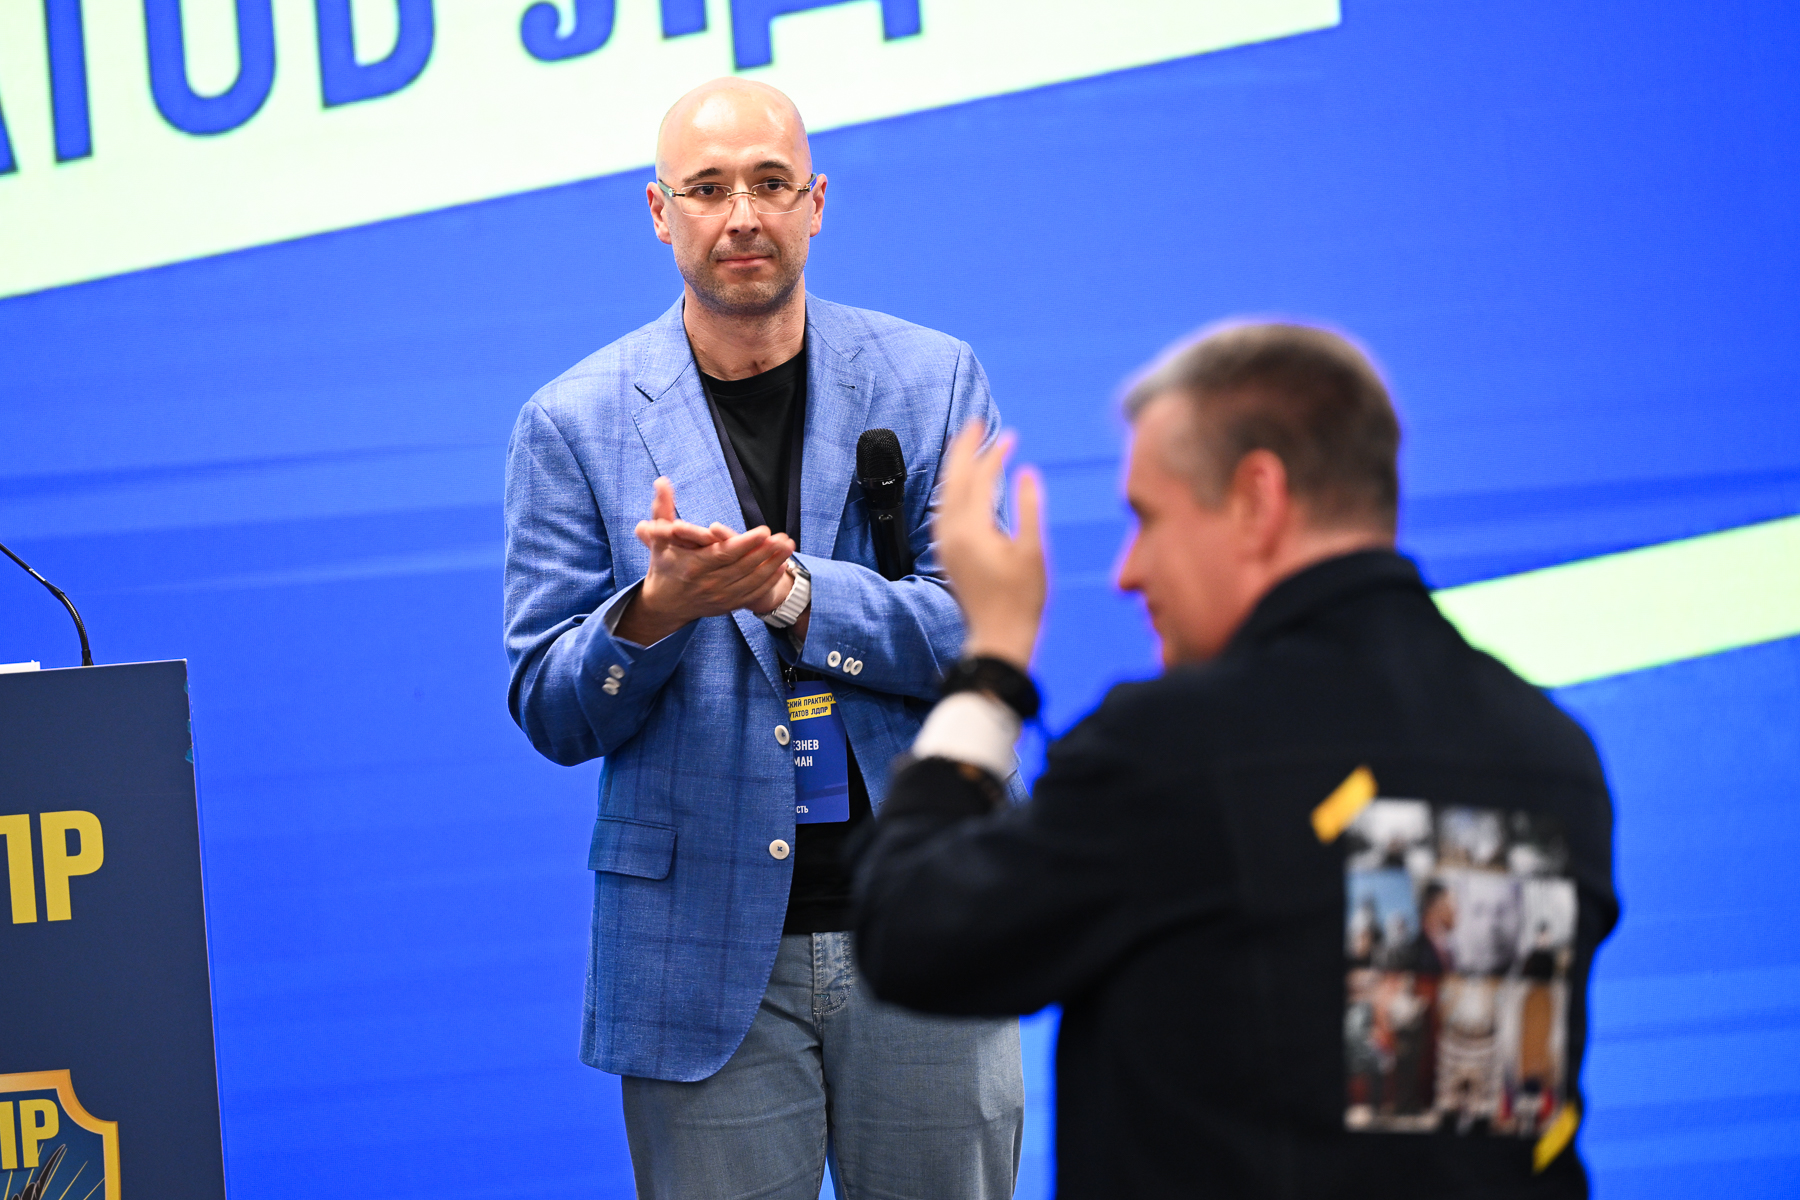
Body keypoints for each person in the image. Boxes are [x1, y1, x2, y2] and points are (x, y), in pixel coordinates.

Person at [851, 322, 1619, 1196]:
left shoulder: (1176, 747)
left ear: (1258, 498)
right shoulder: (1550, 757)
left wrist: (989, 671)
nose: (1130, 571)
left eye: (1148, 518)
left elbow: (911, 930)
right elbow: (1446, 1110)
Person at [503, 79, 1022, 1199]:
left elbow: (982, 628)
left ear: (816, 201)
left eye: (770, 183)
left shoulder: (932, 379)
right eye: (707, 188)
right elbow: (549, 705)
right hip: (694, 950)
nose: (741, 214)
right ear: (660, 212)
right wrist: (654, 613)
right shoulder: (572, 422)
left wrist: (792, 597)